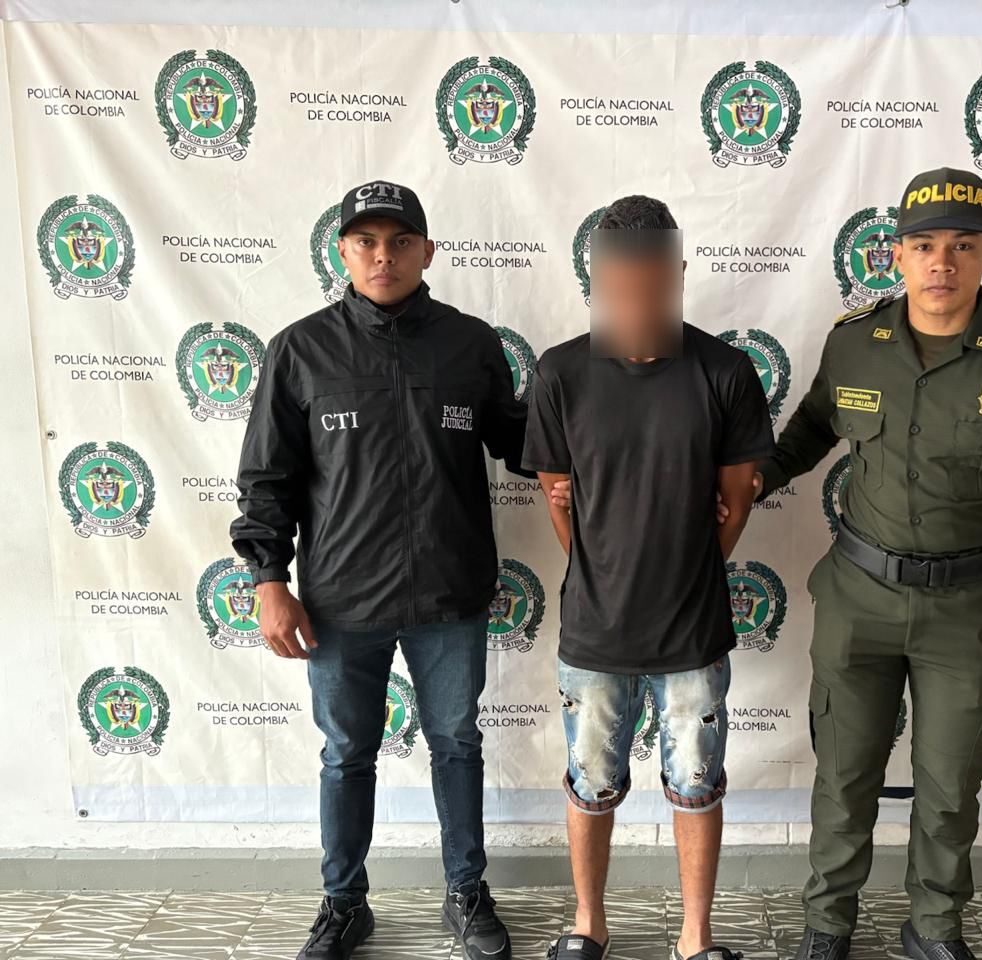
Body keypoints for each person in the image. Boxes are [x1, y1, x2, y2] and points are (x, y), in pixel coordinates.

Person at [762, 167, 982, 960]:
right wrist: (746, 483)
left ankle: (934, 927)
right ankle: (827, 925)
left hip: (971, 609)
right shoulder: (855, 342)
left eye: (961, 245)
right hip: (858, 598)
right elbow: (809, 432)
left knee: (950, 788)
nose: (941, 262)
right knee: (843, 777)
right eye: (923, 246)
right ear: (896, 255)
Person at [231, 179, 527, 960]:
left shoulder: (470, 344)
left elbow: (521, 443)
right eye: (366, 241)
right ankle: (343, 905)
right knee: (345, 753)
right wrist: (269, 580)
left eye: (400, 242)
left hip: (450, 594)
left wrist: (603, 420)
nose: (383, 255)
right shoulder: (299, 350)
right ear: (342, 251)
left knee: (456, 743)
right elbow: (266, 480)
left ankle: (466, 893)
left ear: (427, 252)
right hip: (340, 601)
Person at [523, 195, 775, 960]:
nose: (636, 303)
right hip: (594, 631)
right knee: (590, 782)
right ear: (596, 283)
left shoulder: (725, 371)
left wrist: (681, 564)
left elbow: (736, 501)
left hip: (692, 632)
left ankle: (696, 939)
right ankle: (588, 924)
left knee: (696, 783)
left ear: (679, 276)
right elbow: (560, 501)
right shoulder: (561, 372)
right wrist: (608, 565)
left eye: (652, 286)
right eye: (619, 287)